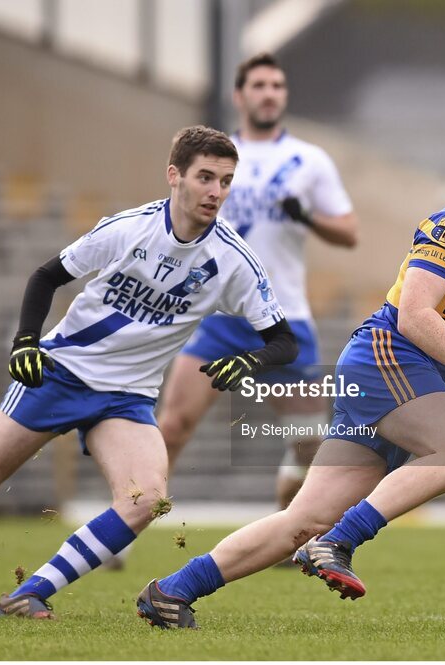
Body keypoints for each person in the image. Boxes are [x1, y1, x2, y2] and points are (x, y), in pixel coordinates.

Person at [0, 125, 299, 619]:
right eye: (206, 177)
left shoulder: (233, 260)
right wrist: (25, 341)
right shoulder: (129, 228)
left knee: (147, 500)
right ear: (174, 176)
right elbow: (46, 277)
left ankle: (30, 593)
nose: (216, 192)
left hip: (126, 398)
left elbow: (283, 340)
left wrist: (249, 361)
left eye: (226, 181)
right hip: (61, 372)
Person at [135, 137, 445, 629]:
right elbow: (414, 316)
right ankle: (338, 542)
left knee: (303, 520)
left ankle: (171, 591)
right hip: (385, 360)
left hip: (414, 386)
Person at [157, 53, 359, 512]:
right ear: (239, 95)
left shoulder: (308, 160)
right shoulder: (212, 158)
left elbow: (349, 232)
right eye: (260, 86)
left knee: (311, 448)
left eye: (277, 86)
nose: (270, 94)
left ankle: (284, 529)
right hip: (221, 318)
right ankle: (123, 530)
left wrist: (305, 217)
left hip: (286, 320)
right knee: (172, 426)